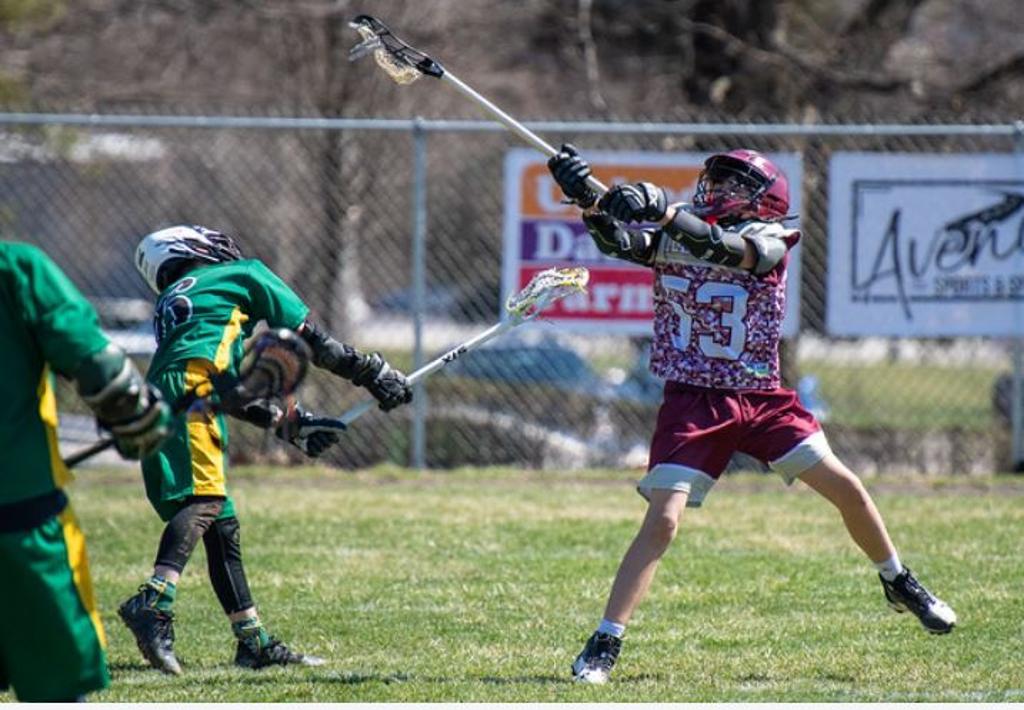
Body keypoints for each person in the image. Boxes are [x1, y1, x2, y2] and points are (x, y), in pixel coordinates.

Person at [547, 145, 956, 684]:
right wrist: (590, 202)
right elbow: (621, 242)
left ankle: (897, 579)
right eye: (717, 180)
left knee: (847, 488)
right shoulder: (678, 230)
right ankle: (606, 639)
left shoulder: (771, 237)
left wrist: (664, 212)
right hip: (694, 400)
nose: (720, 190)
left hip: (760, 397)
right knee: (663, 520)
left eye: (735, 183)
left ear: (767, 199)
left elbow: (724, 249)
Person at [119, 225, 413, 675]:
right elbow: (312, 341)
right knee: (205, 501)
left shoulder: (180, 304)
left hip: (166, 397)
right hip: (192, 391)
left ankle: (252, 642)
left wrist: (288, 424)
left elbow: (224, 387)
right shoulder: (242, 274)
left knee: (221, 524)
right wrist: (372, 373)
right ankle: (153, 601)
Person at [0, 242, 172, 702]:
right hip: (19, 518)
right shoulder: (16, 270)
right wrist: (139, 417)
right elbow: (99, 367)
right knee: (55, 691)